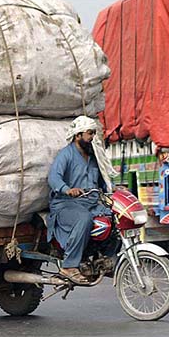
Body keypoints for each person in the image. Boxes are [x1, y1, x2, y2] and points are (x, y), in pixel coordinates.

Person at [47, 116, 114, 284]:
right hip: (66, 204)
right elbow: (54, 177)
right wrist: (67, 190)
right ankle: (69, 265)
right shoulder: (66, 154)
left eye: (94, 133)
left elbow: (101, 181)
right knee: (84, 219)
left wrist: (113, 191)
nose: (92, 137)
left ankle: (104, 259)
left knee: (114, 216)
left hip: (90, 203)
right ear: (78, 136)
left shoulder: (93, 157)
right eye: (89, 133)